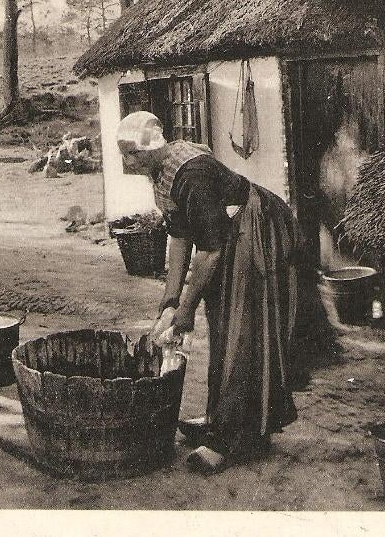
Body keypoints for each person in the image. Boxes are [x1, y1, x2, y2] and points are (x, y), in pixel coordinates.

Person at [116, 111, 304, 474]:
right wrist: (169, 301)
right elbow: (180, 235)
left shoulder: (193, 174)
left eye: (131, 154)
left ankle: (229, 438)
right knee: (222, 326)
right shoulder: (162, 172)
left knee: (240, 331)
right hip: (228, 236)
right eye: (123, 154)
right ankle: (231, 420)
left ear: (152, 147)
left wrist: (185, 310)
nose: (126, 162)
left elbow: (209, 251)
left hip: (256, 229)